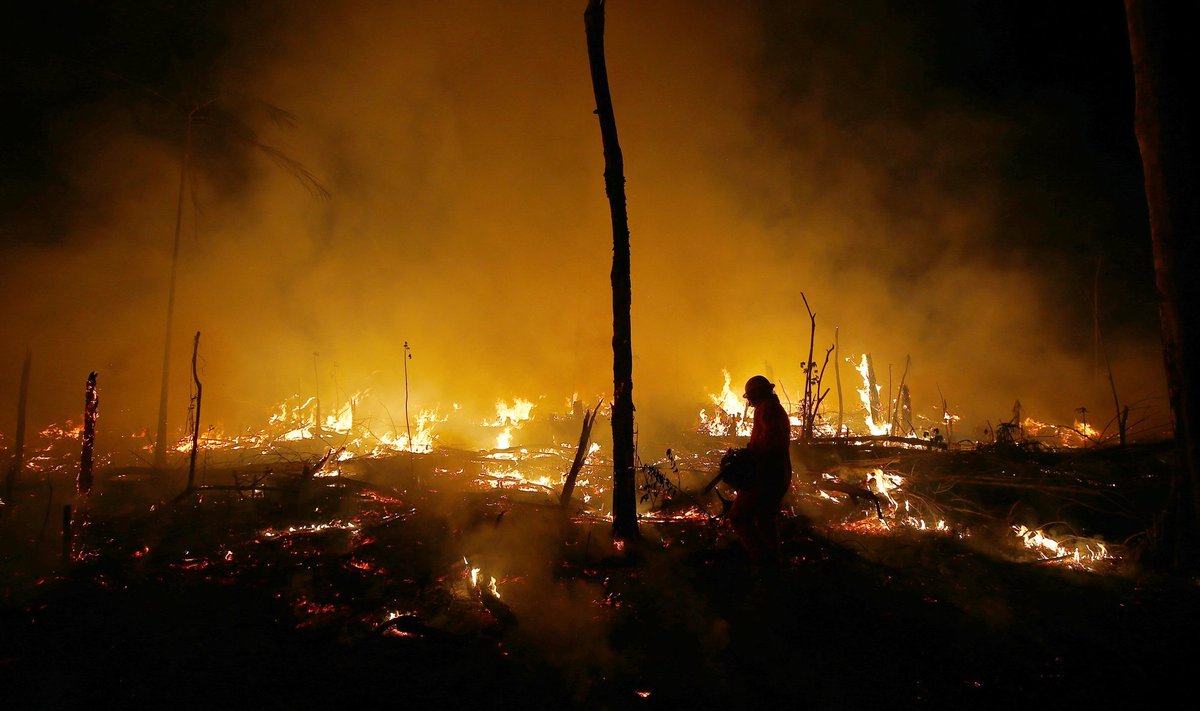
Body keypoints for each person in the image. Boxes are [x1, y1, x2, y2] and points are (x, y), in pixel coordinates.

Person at [729, 375, 793, 563]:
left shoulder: (768, 408)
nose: (749, 401)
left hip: (766, 475)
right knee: (765, 520)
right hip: (775, 473)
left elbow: (771, 439)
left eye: (750, 397)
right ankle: (774, 562)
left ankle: (762, 560)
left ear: (756, 395)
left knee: (738, 516)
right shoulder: (771, 407)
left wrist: (750, 452)